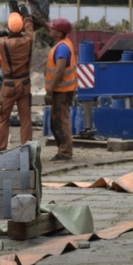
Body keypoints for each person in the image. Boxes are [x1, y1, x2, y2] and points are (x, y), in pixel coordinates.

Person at [0, 12, 35, 153]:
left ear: (9, 27)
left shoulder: (3, 43)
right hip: (25, 84)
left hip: (9, 85)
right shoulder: (28, 40)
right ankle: (27, 150)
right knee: (25, 119)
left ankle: (1, 150)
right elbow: (30, 26)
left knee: (3, 118)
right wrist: (25, 14)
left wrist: (1, 33)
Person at [45, 17, 77, 161]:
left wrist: (50, 91)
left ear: (59, 33)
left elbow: (59, 71)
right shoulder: (63, 43)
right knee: (55, 122)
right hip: (61, 90)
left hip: (61, 91)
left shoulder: (62, 48)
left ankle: (65, 153)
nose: (50, 30)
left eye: (52, 28)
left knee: (61, 121)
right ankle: (63, 151)